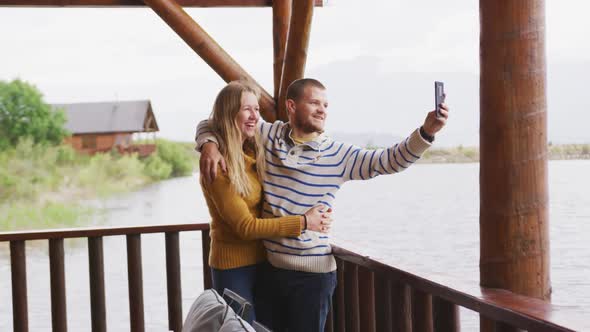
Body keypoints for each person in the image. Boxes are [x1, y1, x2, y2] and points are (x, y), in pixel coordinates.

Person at [196, 78, 449, 331]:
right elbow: (221, 119)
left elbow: (388, 160)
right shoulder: (268, 136)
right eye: (314, 102)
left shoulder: (338, 155)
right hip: (271, 270)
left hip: (312, 276)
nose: (322, 110)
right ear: (292, 106)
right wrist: (209, 143)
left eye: (326, 105)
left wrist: (427, 132)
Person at [199, 80, 333, 323]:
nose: (254, 117)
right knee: (241, 329)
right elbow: (246, 227)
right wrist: (303, 222)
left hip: (266, 262)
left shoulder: (252, 151)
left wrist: (207, 140)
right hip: (233, 268)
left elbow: (208, 125)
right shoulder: (218, 167)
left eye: (257, 109)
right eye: (246, 109)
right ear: (230, 113)